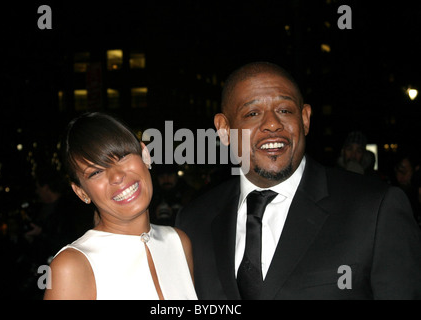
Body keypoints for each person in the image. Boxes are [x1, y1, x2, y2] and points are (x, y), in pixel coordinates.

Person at [175, 61, 421, 299]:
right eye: (252, 113)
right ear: (224, 130)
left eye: (285, 110)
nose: (272, 123)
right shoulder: (193, 223)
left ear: (305, 119)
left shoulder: (376, 209)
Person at [44, 112, 197, 300]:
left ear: (145, 155)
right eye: (96, 172)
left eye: (122, 157)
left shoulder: (178, 242)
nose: (117, 176)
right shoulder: (73, 266)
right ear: (81, 192)